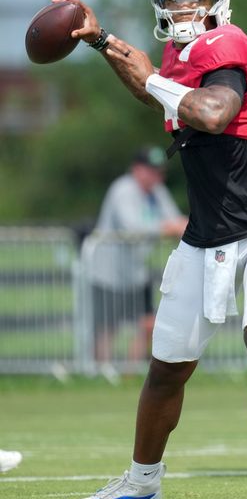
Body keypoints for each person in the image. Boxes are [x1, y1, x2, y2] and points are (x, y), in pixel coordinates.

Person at [63, 0, 247, 499]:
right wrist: (101, 41)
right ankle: (142, 480)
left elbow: (212, 113)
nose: (182, 7)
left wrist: (150, 76)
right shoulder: (179, 59)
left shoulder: (224, 45)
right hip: (208, 233)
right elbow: (148, 83)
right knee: (167, 366)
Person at [85, 146, 187, 368]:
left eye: (159, 171)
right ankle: (101, 374)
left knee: (148, 324)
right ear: (137, 169)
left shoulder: (157, 191)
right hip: (108, 273)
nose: (156, 176)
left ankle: (130, 375)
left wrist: (180, 225)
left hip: (136, 273)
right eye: (151, 170)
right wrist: (169, 228)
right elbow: (133, 227)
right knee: (106, 328)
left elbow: (174, 219)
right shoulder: (123, 189)